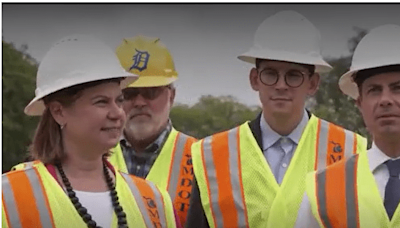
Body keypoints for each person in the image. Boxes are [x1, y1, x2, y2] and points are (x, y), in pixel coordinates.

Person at [185, 10, 367, 228]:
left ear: (312, 83)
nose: (281, 85)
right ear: (254, 79)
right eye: (270, 73)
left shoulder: (349, 150)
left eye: (293, 75)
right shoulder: (213, 155)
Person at [2, 34, 177, 228]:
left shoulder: (154, 200)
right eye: (101, 102)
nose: (118, 113)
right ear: (58, 112)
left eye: (119, 100)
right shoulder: (9, 197)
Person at [295, 24, 400, 228]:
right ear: (359, 103)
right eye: (374, 90)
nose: (385, 100)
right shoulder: (321, 190)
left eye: (398, 88)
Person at [108, 35, 197, 226]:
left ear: (171, 96)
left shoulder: (203, 159)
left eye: (151, 92)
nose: (140, 102)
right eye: (129, 94)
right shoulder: (87, 155)